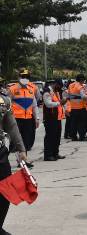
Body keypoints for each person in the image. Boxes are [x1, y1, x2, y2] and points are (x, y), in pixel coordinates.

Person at [0, 78, 28, 235]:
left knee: (5, 193)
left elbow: (11, 125)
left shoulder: (3, 100)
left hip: (0, 153)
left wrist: (21, 148)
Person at [8, 69, 39, 167]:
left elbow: (34, 105)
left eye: (27, 77)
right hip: (16, 118)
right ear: (19, 77)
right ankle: (21, 161)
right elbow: (6, 103)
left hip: (28, 119)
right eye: (23, 77)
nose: (25, 79)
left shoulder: (32, 89)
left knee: (26, 140)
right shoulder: (12, 89)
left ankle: (23, 159)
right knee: (16, 141)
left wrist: (36, 117)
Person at [42, 79, 66, 161]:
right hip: (50, 118)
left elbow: (59, 103)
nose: (60, 88)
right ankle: (48, 155)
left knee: (57, 137)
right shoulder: (47, 91)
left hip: (57, 118)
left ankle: (55, 153)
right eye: (59, 86)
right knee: (50, 137)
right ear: (55, 84)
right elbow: (48, 104)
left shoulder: (57, 92)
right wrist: (60, 103)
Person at [68, 74, 87, 141]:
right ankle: (82, 136)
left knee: (73, 123)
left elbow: (70, 95)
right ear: (81, 80)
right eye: (83, 80)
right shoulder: (80, 86)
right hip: (80, 107)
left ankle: (73, 137)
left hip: (73, 107)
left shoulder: (70, 85)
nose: (83, 82)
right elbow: (83, 96)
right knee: (81, 123)